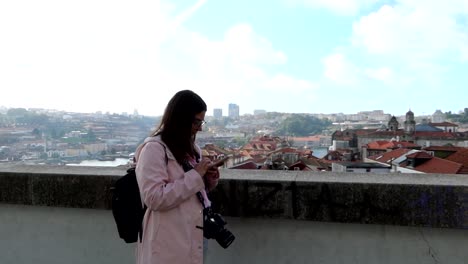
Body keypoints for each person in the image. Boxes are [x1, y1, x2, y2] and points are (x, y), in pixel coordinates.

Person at [135, 90, 220, 264]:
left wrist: (207, 178)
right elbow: (154, 198)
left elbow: (191, 190)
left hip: (193, 236)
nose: (201, 127)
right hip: (167, 242)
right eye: (197, 121)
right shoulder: (154, 149)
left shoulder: (192, 148)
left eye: (201, 121)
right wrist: (196, 175)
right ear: (182, 118)